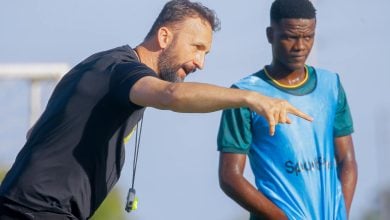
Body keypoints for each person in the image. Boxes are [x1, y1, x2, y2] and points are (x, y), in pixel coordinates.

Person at [0, 0, 313, 220]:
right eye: (197, 48)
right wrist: (250, 98)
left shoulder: (98, 65)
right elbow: (172, 95)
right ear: (164, 36)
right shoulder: (120, 72)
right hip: (35, 211)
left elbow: (37, 133)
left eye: (207, 53)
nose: (200, 63)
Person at [217, 0, 358, 219]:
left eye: (308, 36)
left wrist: (341, 214)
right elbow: (229, 176)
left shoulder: (331, 85)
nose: (300, 46)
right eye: (290, 37)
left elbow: (347, 161)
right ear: (270, 35)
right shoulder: (244, 94)